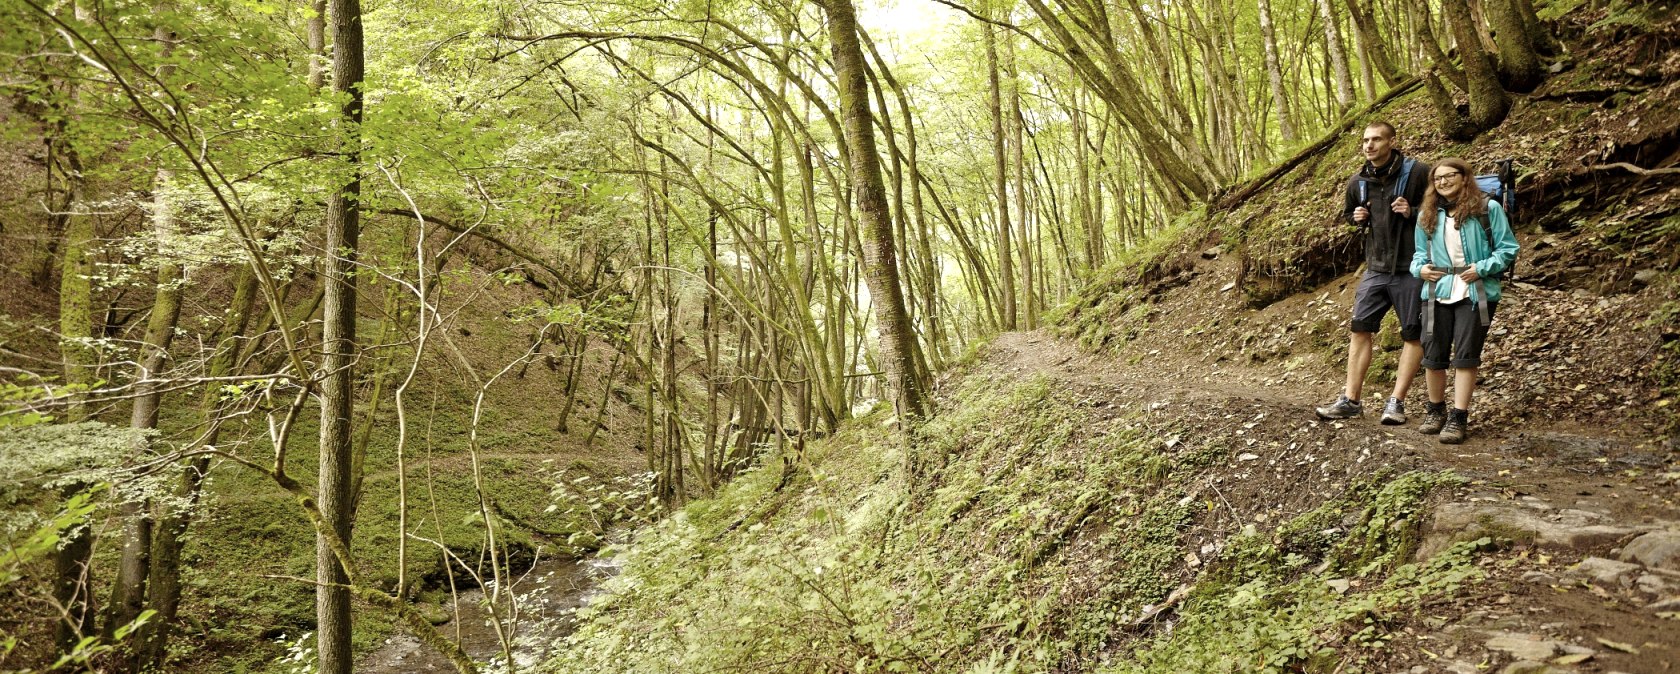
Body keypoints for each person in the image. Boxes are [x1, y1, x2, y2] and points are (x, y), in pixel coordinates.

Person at [1316, 121, 1430, 424]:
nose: (1370, 145)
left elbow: (1443, 209)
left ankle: (1396, 403)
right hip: (1376, 268)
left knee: (1412, 335)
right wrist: (1356, 217)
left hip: (1413, 267)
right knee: (1360, 329)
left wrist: (1413, 212)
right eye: (1366, 140)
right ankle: (1351, 400)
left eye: (1377, 139)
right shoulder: (1358, 181)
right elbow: (1349, 215)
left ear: (1392, 141)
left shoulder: (1418, 172)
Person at [1410, 158, 1520, 443]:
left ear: (1464, 177)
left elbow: (1508, 249)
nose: (1443, 182)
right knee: (1433, 356)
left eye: (1449, 176)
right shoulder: (1427, 214)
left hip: (1475, 291)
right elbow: (1419, 255)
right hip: (1437, 290)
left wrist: (1481, 268)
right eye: (1438, 178)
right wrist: (1419, 269)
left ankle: (1458, 417)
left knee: (1465, 356)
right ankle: (1435, 410)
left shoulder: (1487, 208)